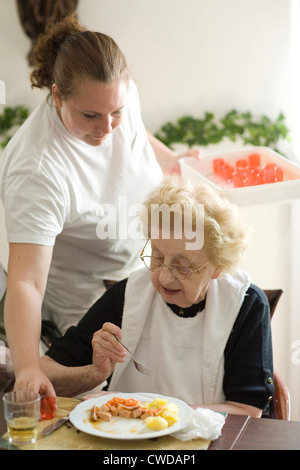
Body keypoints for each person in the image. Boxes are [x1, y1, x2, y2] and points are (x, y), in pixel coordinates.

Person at [0, 13, 200, 396]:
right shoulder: (38, 169)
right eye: (90, 115)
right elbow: (26, 280)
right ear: (57, 95)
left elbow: (137, 139)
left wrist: (174, 161)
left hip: (147, 279)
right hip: (87, 308)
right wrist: (27, 368)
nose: (107, 128)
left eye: (117, 113)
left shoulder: (116, 98)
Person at [40, 177, 274, 417]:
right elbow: (44, 374)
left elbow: (247, 410)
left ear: (217, 268)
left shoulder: (245, 304)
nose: (163, 278)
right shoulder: (130, 294)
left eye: (183, 267)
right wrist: (96, 373)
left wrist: (142, 409)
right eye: (158, 257)